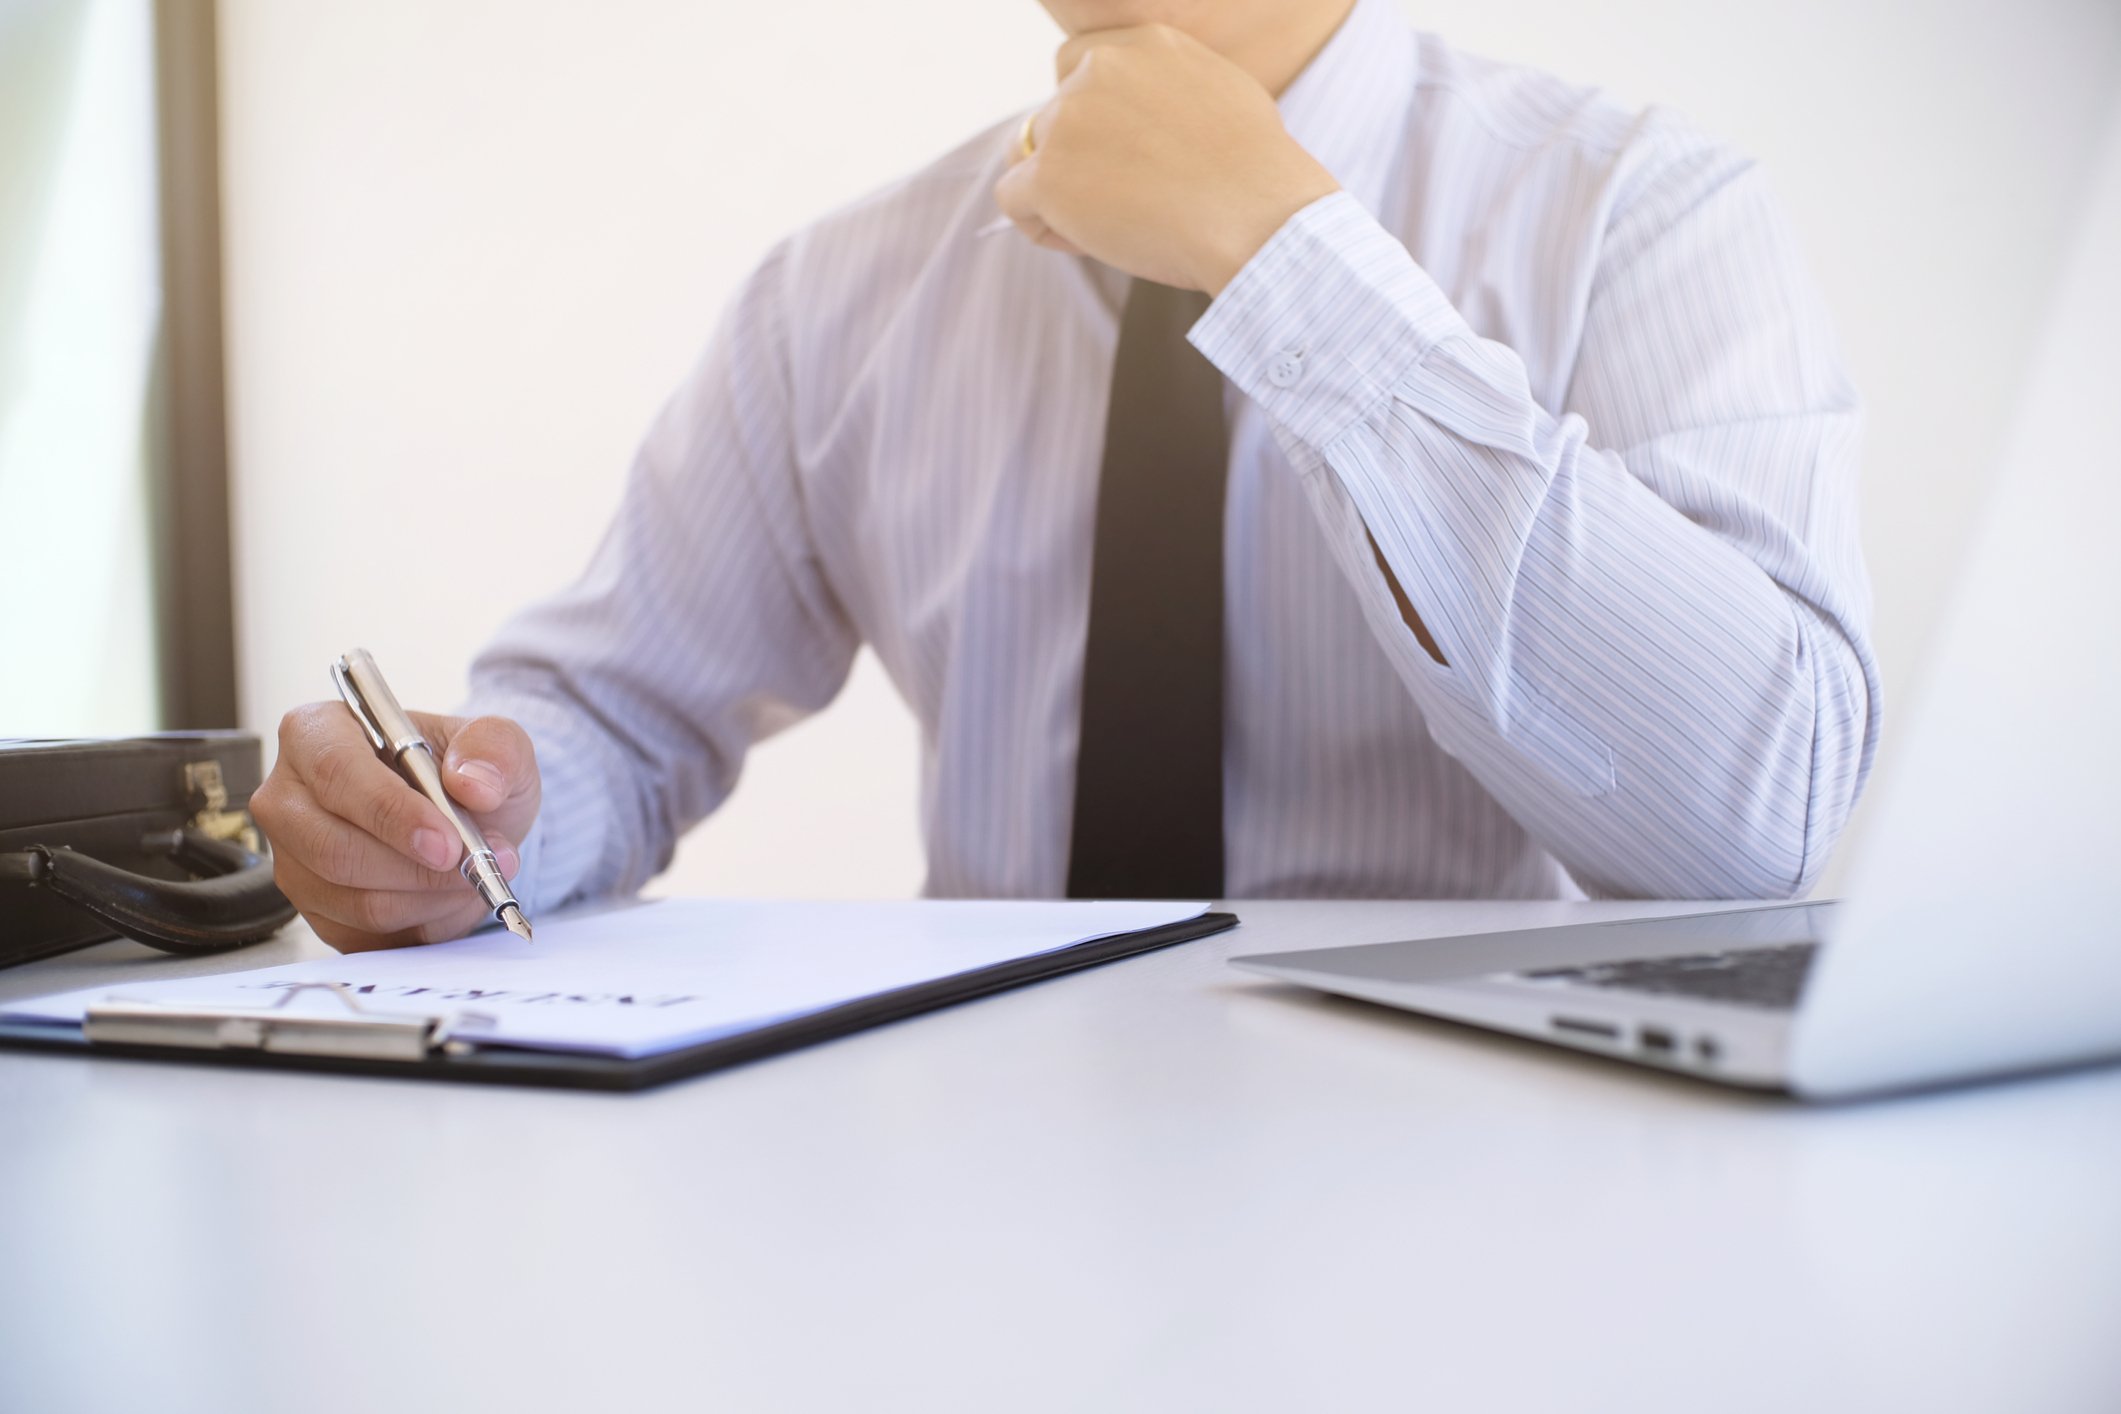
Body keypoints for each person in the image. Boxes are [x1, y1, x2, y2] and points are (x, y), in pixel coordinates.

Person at [251, 0, 1880, 952]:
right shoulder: (842, 290)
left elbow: (1750, 828)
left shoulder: (1639, 217)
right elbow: (616, 716)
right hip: (964, 1186)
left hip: (1484, 1202)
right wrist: (469, 825)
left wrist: (1284, 263)